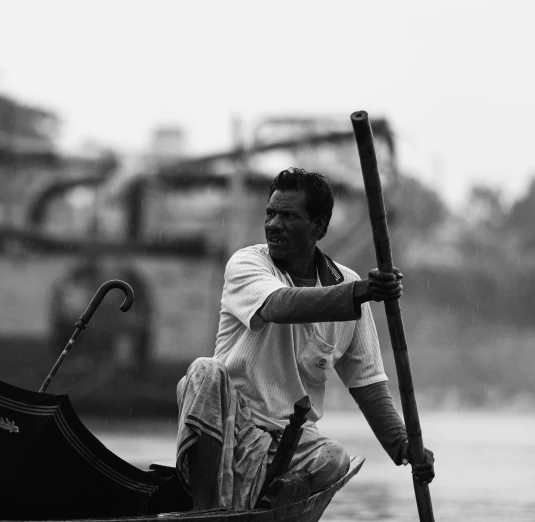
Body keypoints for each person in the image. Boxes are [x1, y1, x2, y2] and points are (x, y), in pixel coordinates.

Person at [175, 168, 435, 510]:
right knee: (205, 372)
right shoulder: (248, 263)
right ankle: (204, 513)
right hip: (229, 425)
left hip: (290, 439)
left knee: (334, 457)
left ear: (319, 227)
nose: (274, 225)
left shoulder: (346, 283)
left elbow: (368, 385)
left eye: (288, 216)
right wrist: (360, 293)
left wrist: (404, 445)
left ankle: (271, 507)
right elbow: (279, 305)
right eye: (271, 213)